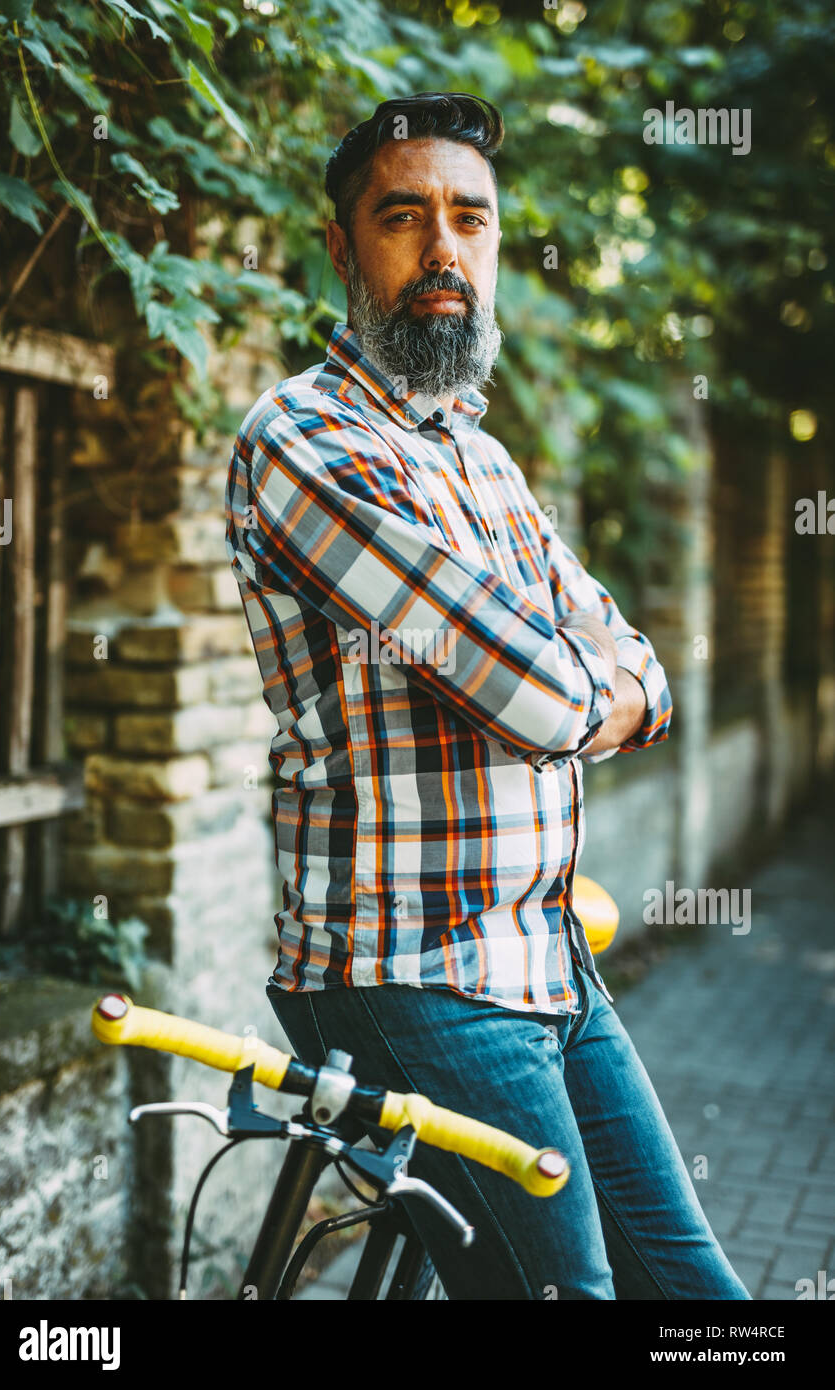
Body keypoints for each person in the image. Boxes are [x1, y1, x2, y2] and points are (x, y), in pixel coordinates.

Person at [224, 91, 750, 1300]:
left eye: (471, 217)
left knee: (700, 1298)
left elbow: (636, 662)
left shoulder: (481, 456)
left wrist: (603, 682)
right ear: (343, 248)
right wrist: (593, 689)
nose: (443, 247)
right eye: (403, 217)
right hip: (409, 975)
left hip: (546, 960)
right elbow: (534, 695)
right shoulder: (304, 440)